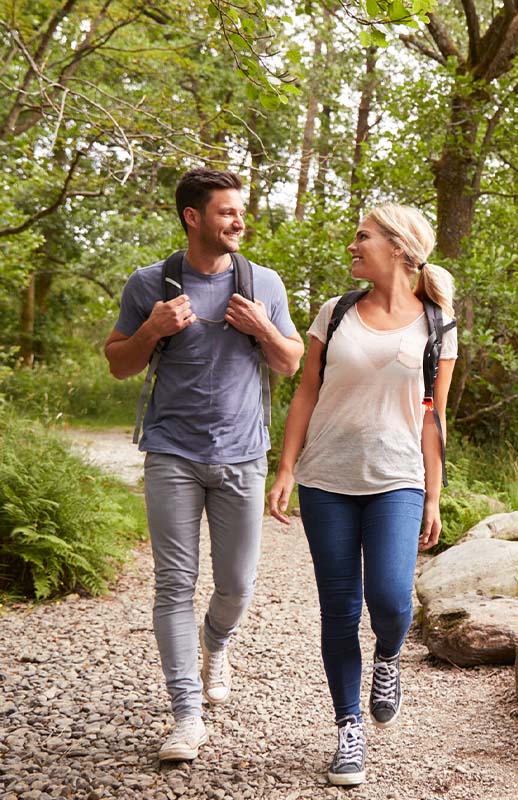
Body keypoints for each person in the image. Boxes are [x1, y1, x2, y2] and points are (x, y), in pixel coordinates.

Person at [104, 168, 303, 761]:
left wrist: (264, 327)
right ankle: (186, 715)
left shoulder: (262, 281)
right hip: (171, 452)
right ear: (193, 217)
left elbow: (291, 363)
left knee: (237, 585)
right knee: (174, 584)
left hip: (243, 455)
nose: (240, 221)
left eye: (241, 210)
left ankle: (217, 641)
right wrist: (152, 328)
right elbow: (118, 363)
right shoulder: (150, 283)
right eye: (226, 212)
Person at [265, 204, 457, 786]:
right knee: (340, 610)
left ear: (399, 249)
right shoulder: (336, 311)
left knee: (394, 600)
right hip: (327, 479)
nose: (352, 245)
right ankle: (348, 730)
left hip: (398, 478)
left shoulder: (438, 323)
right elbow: (306, 392)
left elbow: (434, 417)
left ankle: (389, 658)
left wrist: (432, 495)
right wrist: (287, 467)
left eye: (362, 237)